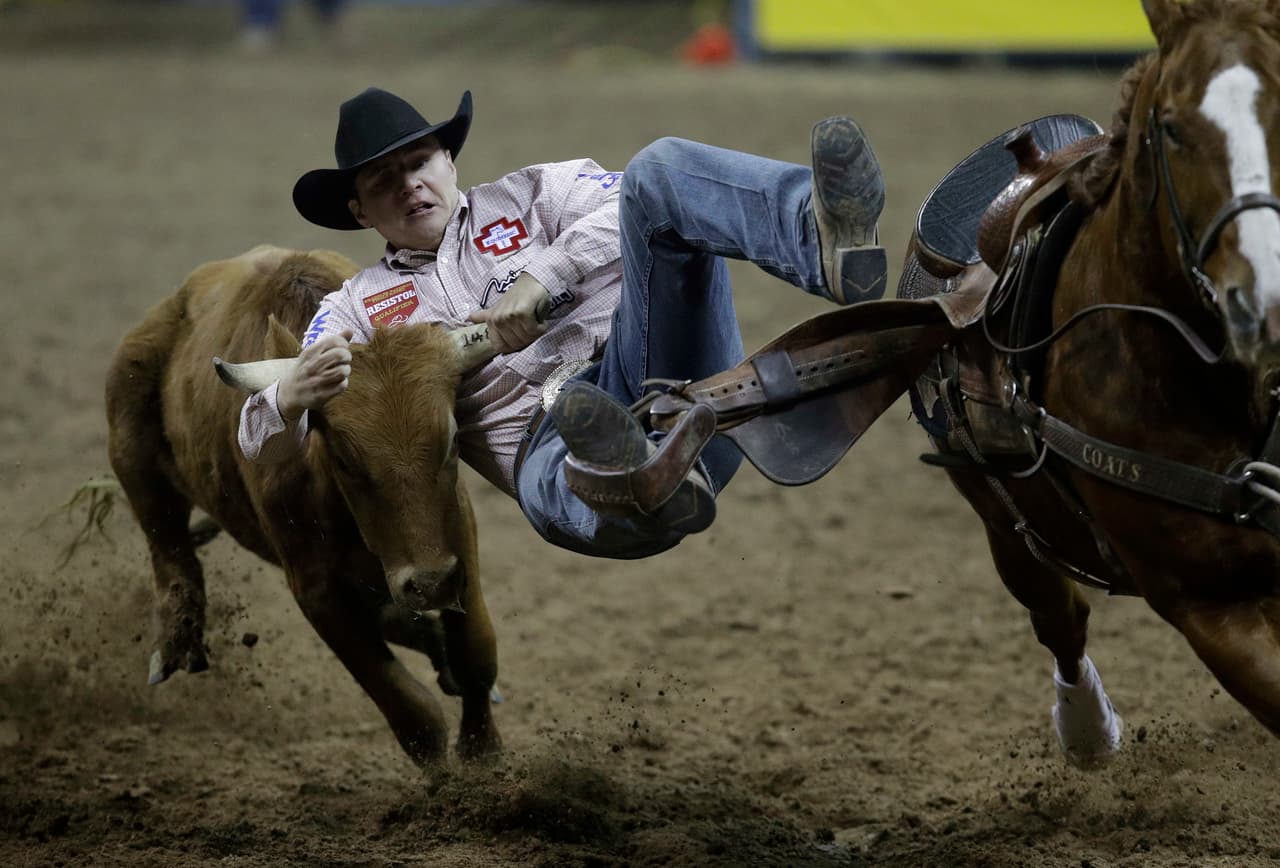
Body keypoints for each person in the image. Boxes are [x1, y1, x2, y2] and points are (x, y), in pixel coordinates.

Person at [237, 86, 886, 560]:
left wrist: (544, 276)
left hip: (657, 368)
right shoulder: (353, 309)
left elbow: (627, 199)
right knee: (558, 460)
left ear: (448, 162)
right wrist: (289, 396)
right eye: (384, 180)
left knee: (659, 170)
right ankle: (637, 479)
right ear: (359, 211)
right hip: (543, 442)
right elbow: (253, 438)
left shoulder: (536, 193)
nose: (409, 184)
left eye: (419, 163)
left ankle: (824, 239)